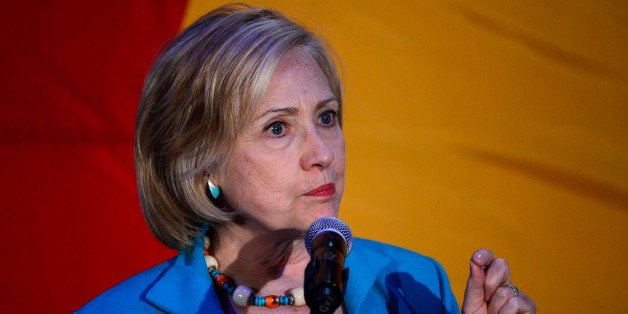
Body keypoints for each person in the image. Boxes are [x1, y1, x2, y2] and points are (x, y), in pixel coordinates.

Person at [78, 3, 536, 313]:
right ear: (202, 166)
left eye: (327, 117)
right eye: (277, 128)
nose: (322, 154)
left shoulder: (414, 285)